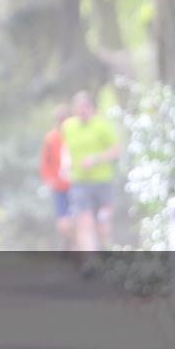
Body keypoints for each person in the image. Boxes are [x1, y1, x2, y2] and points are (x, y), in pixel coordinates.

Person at [61, 91, 120, 254]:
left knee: (102, 226)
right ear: (74, 110)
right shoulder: (68, 126)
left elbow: (116, 150)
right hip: (79, 182)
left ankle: (107, 252)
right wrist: (65, 163)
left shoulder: (102, 125)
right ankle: (90, 260)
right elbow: (65, 148)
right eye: (79, 108)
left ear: (92, 108)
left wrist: (96, 159)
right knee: (84, 222)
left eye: (86, 107)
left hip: (102, 181)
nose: (83, 111)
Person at [39, 104, 74, 250]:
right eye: (60, 119)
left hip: (77, 184)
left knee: (78, 219)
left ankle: (76, 247)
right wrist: (48, 179)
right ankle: (67, 242)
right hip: (59, 185)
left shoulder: (76, 135)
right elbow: (45, 161)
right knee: (63, 222)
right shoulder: (51, 138)